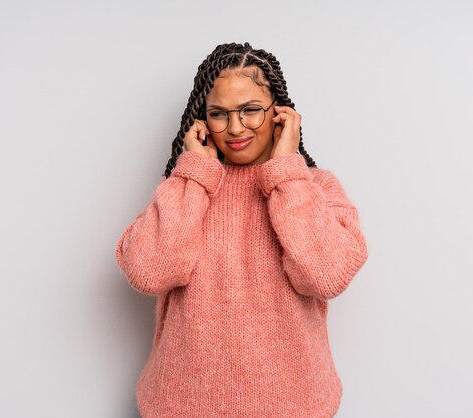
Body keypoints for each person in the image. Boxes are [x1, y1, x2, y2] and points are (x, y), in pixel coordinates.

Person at [115, 42, 369, 418]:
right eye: (219, 113)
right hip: (182, 405)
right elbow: (149, 272)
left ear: (281, 114)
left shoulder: (315, 186)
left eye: (251, 110)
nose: (235, 128)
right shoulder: (187, 186)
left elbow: (327, 276)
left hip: (293, 405)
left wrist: (286, 171)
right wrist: (195, 176)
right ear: (203, 119)